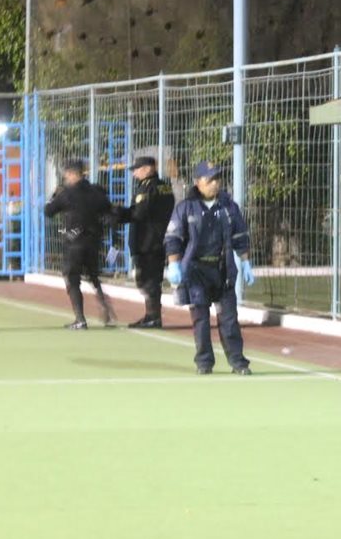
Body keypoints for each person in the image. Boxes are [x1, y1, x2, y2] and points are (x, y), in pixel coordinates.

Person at [164, 160, 255, 375]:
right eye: (210, 179)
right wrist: (174, 264)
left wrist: (246, 261)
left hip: (222, 271)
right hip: (196, 271)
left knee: (229, 320)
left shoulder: (229, 207)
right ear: (198, 182)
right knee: (201, 320)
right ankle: (204, 362)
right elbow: (173, 238)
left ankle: (238, 362)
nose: (215, 183)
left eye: (217, 179)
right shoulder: (185, 207)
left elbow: (240, 236)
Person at [44, 159, 118, 329]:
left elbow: (49, 211)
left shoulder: (66, 193)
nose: (66, 178)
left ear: (72, 173)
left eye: (67, 174)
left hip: (74, 242)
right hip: (93, 240)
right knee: (94, 276)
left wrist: (54, 195)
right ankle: (103, 303)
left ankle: (80, 318)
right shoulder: (96, 192)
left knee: (72, 278)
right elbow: (108, 210)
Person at [114, 155, 176, 328]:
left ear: (149, 169)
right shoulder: (165, 187)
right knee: (149, 279)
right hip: (156, 238)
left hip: (146, 240)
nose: (134, 174)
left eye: (137, 169)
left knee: (147, 279)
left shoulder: (148, 187)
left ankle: (153, 317)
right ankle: (151, 315)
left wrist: (118, 213)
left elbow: (139, 213)